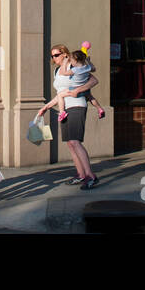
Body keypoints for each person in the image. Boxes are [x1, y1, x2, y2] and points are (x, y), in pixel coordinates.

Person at [36, 44, 99, 189]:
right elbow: (60, 94)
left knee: (75, 141)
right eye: (52, 56)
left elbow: (94, 80)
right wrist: (46, 106)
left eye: (56, 55)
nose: (54, 58)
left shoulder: (73, 66)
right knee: (70, 143)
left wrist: (78, 90)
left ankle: (91, 176)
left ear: (65, 54)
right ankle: (81, 174)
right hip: (64, 107)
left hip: (77, 105)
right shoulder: (57, 71)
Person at [52, 47, 105, 122]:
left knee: (60, 95)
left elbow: (63, 73)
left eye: (72, 60)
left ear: (75, 60)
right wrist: (88, 61)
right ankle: (99, 109)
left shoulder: (75, 70)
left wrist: (64, 62)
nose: (71, 62)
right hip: (84, 90)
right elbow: (94, 69)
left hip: (74, 89)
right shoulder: (87, 67)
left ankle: (62, 112)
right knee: (91, 97)